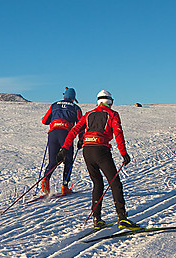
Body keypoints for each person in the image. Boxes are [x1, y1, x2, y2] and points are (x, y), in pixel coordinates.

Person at [57, 90, 138, 229]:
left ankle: (97, 218)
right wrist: (124, 153)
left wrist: (65, 148)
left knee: (97, 183)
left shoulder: (89, 114)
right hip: (101, 150)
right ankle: (122, 217)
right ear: (109, 101)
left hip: (88, 151)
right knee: (115, 183)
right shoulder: (112, 114)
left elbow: (74, 130)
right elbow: (118, 133)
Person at [40, 87, 83, 195]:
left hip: (53, 134)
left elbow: (45, 121)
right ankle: (65, 186)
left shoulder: (54, 105)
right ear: (73, 98)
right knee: (68, 161)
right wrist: (81, 139)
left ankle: (46, 179)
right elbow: (81, 125)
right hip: (66, 134)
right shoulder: (76, 108)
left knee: (53, 161)